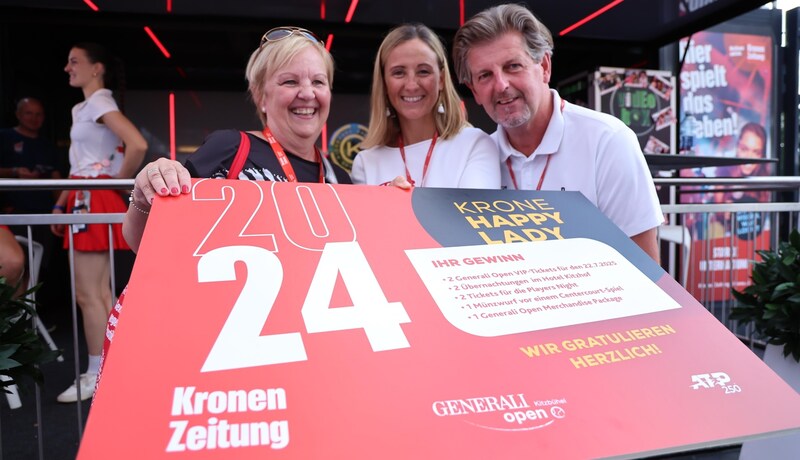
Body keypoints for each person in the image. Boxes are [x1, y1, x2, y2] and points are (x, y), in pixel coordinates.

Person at [97, 27, 351, 391]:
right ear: (262, 96)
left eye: (319, 81)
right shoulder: (231, 148)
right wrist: (146, 190)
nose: (307, 93)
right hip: (224, 346)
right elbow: (139, 241)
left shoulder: (341, 179)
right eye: (290, 81)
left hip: (309, 344)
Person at [451, 4, 663, 261]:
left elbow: (645, 268)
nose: (502, 85)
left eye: (513, 66)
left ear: (544, 66)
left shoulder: (607, 141)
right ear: (473, 90)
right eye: (485, 75)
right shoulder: (476, 158)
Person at [52, 42, 147, 403]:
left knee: (90, 293)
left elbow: (136, 144)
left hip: (92, 196)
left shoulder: (99, 103)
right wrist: (62, 203)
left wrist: (111, 182)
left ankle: (97, 374)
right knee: (98, 292)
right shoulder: (84, 106)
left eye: (74, 61)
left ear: (97, 68)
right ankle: (110, 366)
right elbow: (79, 164)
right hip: (82, 197)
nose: (67, 67)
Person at [351, 23, 500, 189]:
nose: (411, 85)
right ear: (384, 84)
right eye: (399, 72)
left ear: (441, 80)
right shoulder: (366, 163)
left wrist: (393, 205)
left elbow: (471, 214)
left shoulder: (475, 144)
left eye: (423, 71)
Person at [0, 97, 63, 215]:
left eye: (38, 114)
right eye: (29, 113)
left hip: (46, 212)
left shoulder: (48, 145)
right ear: (18, 115)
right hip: (12, 213)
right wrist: (14, 172)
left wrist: (60, 207)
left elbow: (56, 179)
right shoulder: (4, 137)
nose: (34, 118)